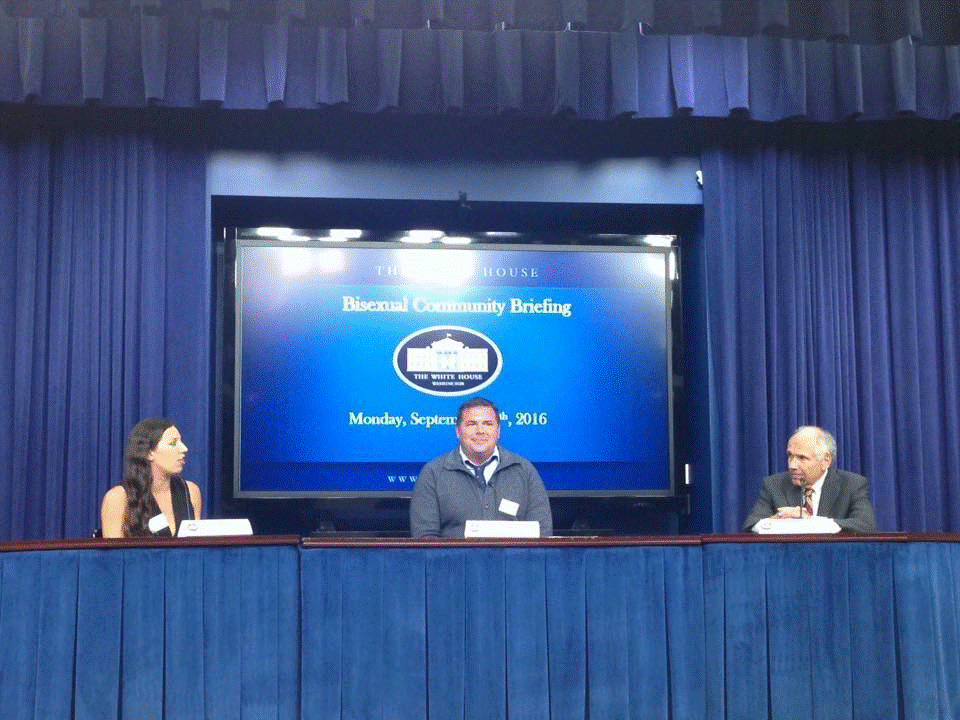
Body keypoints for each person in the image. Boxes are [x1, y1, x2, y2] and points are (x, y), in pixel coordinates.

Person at [410, 397, 553, 538]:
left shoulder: (525, 471)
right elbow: (424, 538)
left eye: (487, 424)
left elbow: (542, 533)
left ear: (498, 431)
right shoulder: (433, 473)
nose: (480, 430)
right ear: (457, 431)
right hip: (455, 561)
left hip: (513, 561)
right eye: (471, 424)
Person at [743, 426, 877, 533]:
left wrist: (810, 521)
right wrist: (776, 520)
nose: (792, 465)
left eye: (802, 458)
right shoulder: (774, 485)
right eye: (790, 456)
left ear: (826, 461)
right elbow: (751, 525)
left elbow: (866, 526)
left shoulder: (852, 485)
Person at [101, 418, 202, 538]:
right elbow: (115, 555)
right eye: (173, 443)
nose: (184, 449)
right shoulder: (118, 498)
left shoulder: (190, 491)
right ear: (149, 453)